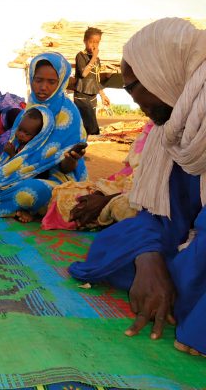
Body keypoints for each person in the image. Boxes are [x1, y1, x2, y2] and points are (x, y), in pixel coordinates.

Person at [69, 18, 206, 357]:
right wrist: (148, 259)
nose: (133, 99)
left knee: (185, 277)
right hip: (187, 246)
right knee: (116, 244)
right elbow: (158, 216)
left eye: (133, 87)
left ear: (164, 73)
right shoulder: (169, 130)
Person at [0, 53, 88, 222]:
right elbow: (11, 154)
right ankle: (2, 200)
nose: (43, 87)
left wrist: (72, 160)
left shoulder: (69, 115)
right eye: (38, 80)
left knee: (28, 193)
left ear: (61, 82)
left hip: (56, 180)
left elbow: (65, 168)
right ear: (31, 78)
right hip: (16, 175)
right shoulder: (28, 111)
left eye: (51, 82)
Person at [42, 120, 154, 230]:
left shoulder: (167, 138)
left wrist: (105, 201)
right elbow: (128, 175)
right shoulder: (150, 130)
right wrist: (100, 193)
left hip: (144, 198)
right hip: (121, 187)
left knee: (122, 209)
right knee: (67, 198)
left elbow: (154, 191)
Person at [74, 27, 111, 135]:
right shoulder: (80, 55)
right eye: (91, 42)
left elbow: (96, 78)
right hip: (82, 94)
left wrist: (103, 95)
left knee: (89, 125)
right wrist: (94, 57)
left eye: (97, 42)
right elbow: (84, 74)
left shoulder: (97, 60)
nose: (94, 45)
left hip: (93, 95)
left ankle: (84, 146)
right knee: (89, 124)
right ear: (85, 41)